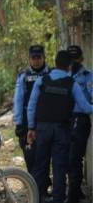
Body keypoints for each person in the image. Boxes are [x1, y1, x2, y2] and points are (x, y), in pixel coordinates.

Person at [27, 50, 93, 203]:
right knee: (60, 168)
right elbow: (84, 107)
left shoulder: (42, 81)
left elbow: (31, 106)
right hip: (62, 131)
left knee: (40, 166)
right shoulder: (72, 83)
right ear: (69, 66)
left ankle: (37, 198)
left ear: (54, 63)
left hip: (42, 129)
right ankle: (58, 199)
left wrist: (31, 128)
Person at [13, 45, 50, 173]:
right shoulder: (24, 76)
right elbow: (18, 100)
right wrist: (18, 123)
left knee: (44, 156)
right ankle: (34, 186)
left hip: (46, 121)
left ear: (43, 57)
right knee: (30, 156)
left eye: (38, 57)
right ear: (29, 59)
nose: (36, 60)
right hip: (27, 122)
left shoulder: (50, 74)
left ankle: (43, 187)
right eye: (33, 58)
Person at [66, 45, 93, 203]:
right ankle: (75, 190)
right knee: (67, 157)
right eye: (71, 59)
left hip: (81, 120)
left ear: (81, 59)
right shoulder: (63, 76)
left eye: (76, 58)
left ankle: (73, 195)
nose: (73, 62)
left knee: (75, 157)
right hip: (65, 120)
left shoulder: (88, 76)